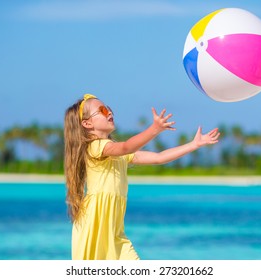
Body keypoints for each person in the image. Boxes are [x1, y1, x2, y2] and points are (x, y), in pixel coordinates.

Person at [64, 93, 220, 260]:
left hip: (114, 233)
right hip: (94, 227)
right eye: (102, 110)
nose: (109, 113)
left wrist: (193, 144)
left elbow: (158, 157)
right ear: (87, 123)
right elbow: (125, 147)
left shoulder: (118, 154)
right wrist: (154, 129)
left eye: (108, 109)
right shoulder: (95, 147)